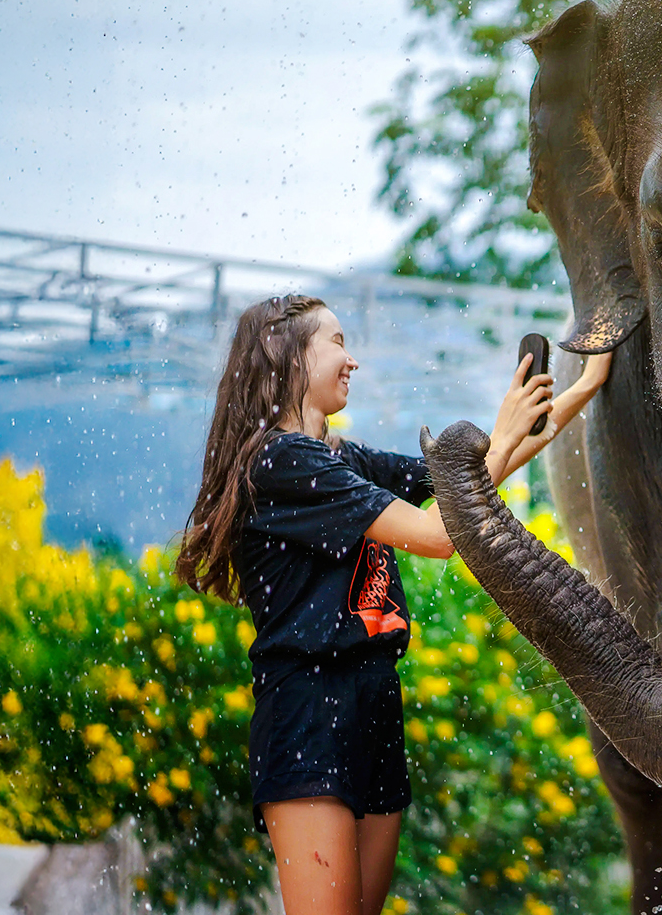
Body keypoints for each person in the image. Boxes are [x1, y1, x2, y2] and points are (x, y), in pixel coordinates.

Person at [174, 294, 609, 915]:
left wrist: (584, 385)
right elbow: (438, 536)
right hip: (308, 711)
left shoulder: (344, 459)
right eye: (337, 342)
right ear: (289, 356)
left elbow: (468, 483)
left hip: (374, 699)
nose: (353, 360)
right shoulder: (279, 461)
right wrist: (505, 428)